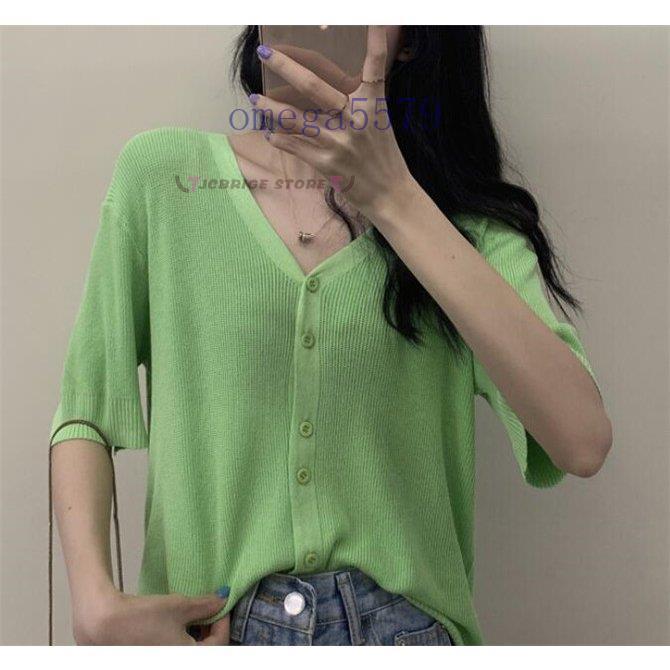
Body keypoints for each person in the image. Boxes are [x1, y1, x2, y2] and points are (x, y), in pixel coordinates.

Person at [49, 25, 612, 646]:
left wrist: (392, 198)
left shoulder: (466, 229)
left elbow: (581, 441)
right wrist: (94, 603)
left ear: (412, 40)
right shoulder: (164, 177)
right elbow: (86, 411)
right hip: (209, 632)